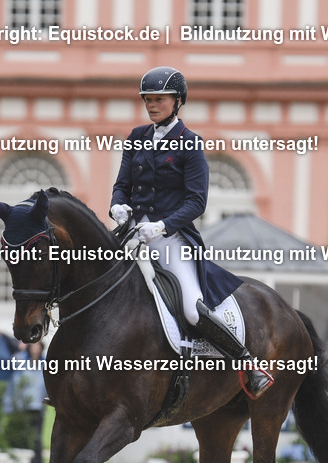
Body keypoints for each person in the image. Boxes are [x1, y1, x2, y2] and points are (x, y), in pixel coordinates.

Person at [109, 66, 271, 398]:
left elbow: (197, 201)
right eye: (147, 100)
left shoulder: (190, 144)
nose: (152, 105)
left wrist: (163, 225)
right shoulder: (137, 137)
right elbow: (121, 185)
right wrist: (117, 206)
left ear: (177, 101)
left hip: (170, 238)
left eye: (159, 99)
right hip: (132, 235)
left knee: (191, 308)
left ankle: (247, 362)